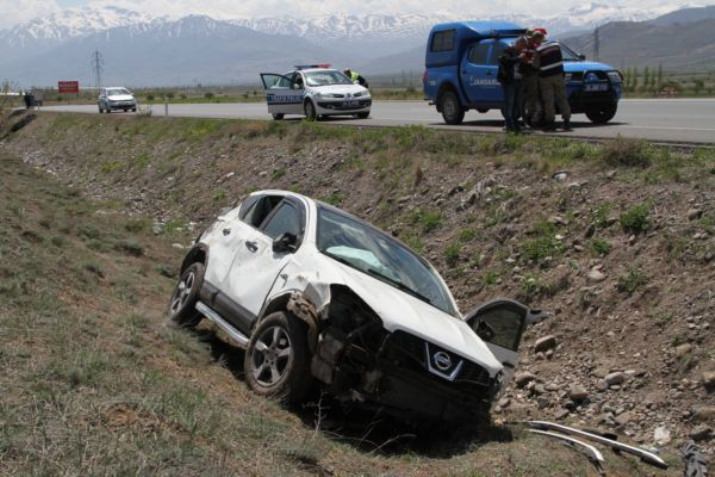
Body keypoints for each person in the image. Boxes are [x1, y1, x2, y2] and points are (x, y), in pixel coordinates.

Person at [532, 30, 572, 131]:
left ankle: (550, 123)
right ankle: (566, 121)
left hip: (546, 78)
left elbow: (535, 65)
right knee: (562, 98)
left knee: (548, 101)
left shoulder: (539, 49)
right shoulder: (556, 45)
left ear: (537, 39)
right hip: (559, 75)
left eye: (534, 40)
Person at [498, 37, 527, 132]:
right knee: (509, 103)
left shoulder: (521, 54)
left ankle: (515, 123)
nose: (523, 48)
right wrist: (519, 58)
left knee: (516, 104)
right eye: (522, 45)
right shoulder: (508, 51)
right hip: (509, 81)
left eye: (524, 46)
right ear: (518, 44)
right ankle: (509, 124)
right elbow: (506, 61)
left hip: (519, 80)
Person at [519, 31, 541, 128]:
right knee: (528, 97)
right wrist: (530, 62)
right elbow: (523, 57)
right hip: (527, 75)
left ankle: (530, 118)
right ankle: (526, 119)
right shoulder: (527, 46)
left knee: (532, 97)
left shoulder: (534, 46)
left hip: (532, 74)